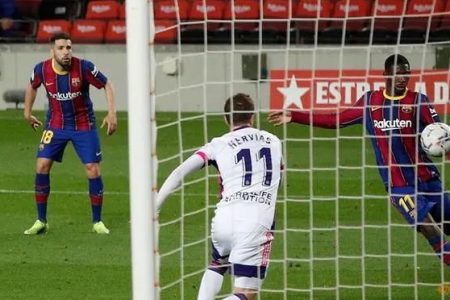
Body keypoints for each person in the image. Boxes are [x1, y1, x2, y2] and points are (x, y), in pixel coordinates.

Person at [268, 54, 450, 265]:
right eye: (398, 73)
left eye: (405, 73)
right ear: (386, 75)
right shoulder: (370, 102)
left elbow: (440, 137)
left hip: (428, 179)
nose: (402, 78)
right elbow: (335, 120)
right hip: (399, 186)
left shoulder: (418, 101)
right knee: (431, 231)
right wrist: (295, 116)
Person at [157, 93, 283, 300]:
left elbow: (179, 172)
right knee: (246, 295)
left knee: (218, 262)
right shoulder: (274, 141)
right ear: (252, 117)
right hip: (256, 221)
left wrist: (154, 208)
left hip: (224, 219)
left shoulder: (218, 144)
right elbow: (279, 175)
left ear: (226, 119)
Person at [23, 32, 117, 235]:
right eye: (61, 48)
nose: (66, 52)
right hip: (55, 124)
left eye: (68, 47)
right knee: (41, 165)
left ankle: (97, 221)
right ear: (52, 51)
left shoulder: (84, 67)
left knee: (92, 169)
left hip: (83, 125)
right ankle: (41, 220)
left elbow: (107, 84)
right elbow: (32, 86)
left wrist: (111, 114)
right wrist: (27, 112)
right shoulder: (42, 69)